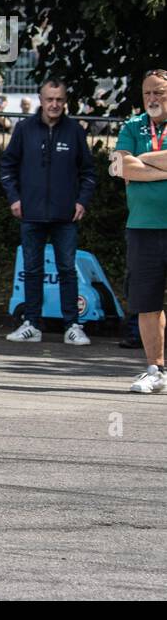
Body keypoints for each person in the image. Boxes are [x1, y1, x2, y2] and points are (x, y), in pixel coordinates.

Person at [0, 79, 96, 345]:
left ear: (66, 101)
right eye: (50, 99)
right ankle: (31, 323)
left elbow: (89, 172)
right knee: (32, 270)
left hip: (66, 215)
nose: (54, 104)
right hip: (30, 213)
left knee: (67, 269)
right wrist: (14, 199)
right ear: (40, 100)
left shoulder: (75, 131)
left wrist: (82, 201)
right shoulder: (24, 129)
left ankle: (72, 325)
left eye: (59, 99)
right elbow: (7, 167)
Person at [110, 68, 167, 393]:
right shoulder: (133, 126)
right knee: (147, 303)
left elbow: (132, 166)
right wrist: (158, 165)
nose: (152, 99)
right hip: (142, 228)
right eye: (147, 93)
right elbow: (119, 166)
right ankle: (155, 370)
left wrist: (142, 162)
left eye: (159, 92)